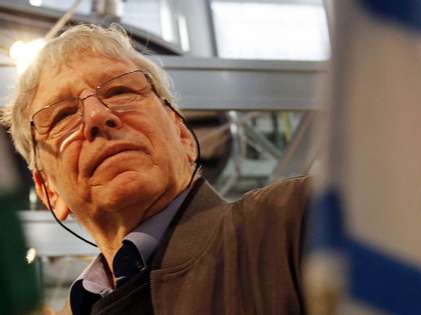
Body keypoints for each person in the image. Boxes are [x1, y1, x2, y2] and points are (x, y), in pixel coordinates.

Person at [1, 24, 310, 315]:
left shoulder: (299, 220)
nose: (97, 115)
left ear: (183, 135)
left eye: (120, 91)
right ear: (48, 190)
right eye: (63, 115)